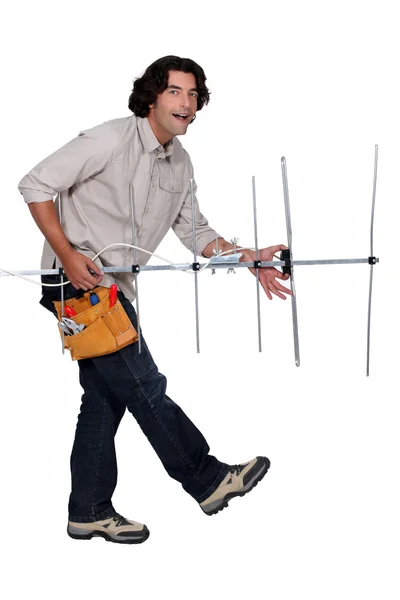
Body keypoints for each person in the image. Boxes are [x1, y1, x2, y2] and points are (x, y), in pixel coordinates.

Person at [18, 55, 292, 545]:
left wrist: (249, 257)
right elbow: (34, 184)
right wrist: (68, 255)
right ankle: (206, 480)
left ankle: (89, 511)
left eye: (192, 95)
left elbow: (197, 233)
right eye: (174, 92)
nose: (185, 104)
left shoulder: (180, 162)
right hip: (75, 286)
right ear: (152, 96)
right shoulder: (109, 140)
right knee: (145, 386)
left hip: (114, 290)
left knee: (104, 400)